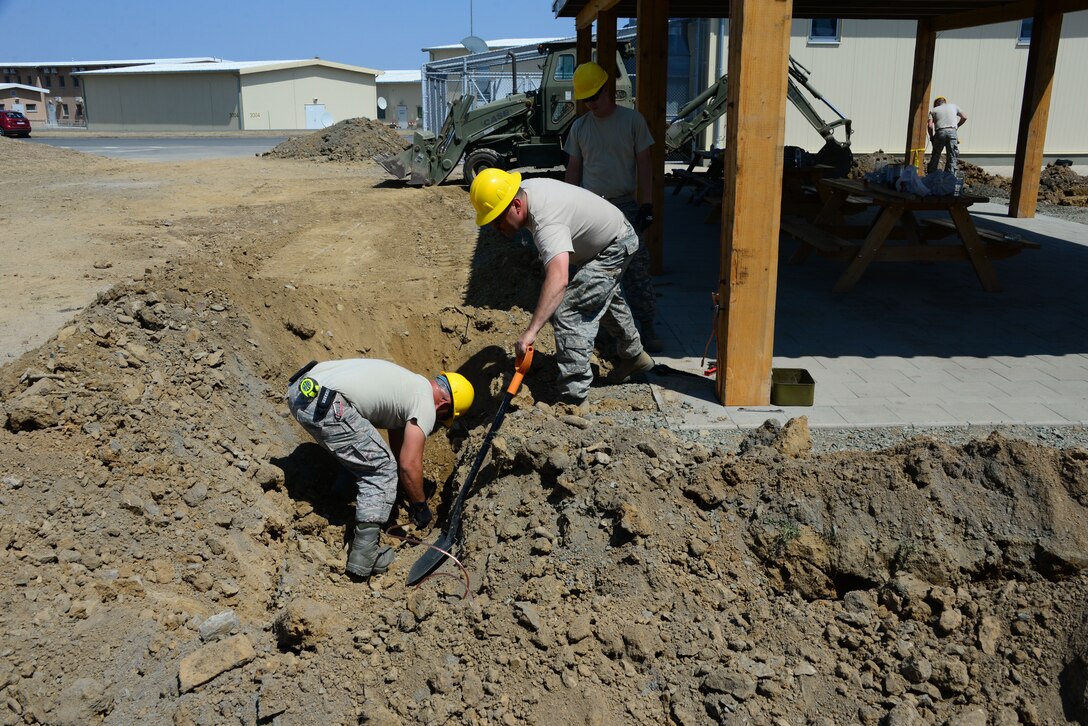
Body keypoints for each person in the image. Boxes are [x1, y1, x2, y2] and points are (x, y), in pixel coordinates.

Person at [469, 168, 654, 406]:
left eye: (497, 219)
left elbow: (559, 280)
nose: (495, 227)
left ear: (516, 204)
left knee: (570, 309)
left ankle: (574, 398)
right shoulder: (526, 191)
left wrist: (531, 332)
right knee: (599, 294)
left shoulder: (546, 220)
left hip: (614, 245)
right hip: (607, 238)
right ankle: (634, 357)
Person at [285, 359, 474, 577]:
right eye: (444, 417)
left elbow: (398, 448)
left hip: (301, 391)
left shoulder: (408, 386)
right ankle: (364, 557)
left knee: (369, 454)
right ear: (444, 404)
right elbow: (408, 465)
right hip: (327, 403)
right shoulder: (425, 403)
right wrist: (420, 506)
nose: (438, 420)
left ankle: (339, 495)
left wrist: (403, 486)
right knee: (381, 468)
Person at [564, 61, 662, 353]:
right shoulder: (580, 127)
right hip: (592, 208)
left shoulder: (633, 121)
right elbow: (573, 168)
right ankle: (605, 333)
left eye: (594, 97)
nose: (590, 105)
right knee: (594, 272)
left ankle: (648, 325)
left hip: (624, 206)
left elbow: (645, 165)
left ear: (608, 90)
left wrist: (647, 203)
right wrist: (568, 207)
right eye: (585, 100)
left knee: (636, 268)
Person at [927, 96, 968, 175]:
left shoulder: (933, 110)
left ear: (936, 104)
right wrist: (957, 126)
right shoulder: (953, 106)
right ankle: (950, 179)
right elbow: (965, 117)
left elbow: (930, 126)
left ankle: (931, 177)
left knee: (936, 155)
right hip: (952, 131)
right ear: (945, 102)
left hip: (940, 132)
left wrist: (932, 137)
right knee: (952, 156)